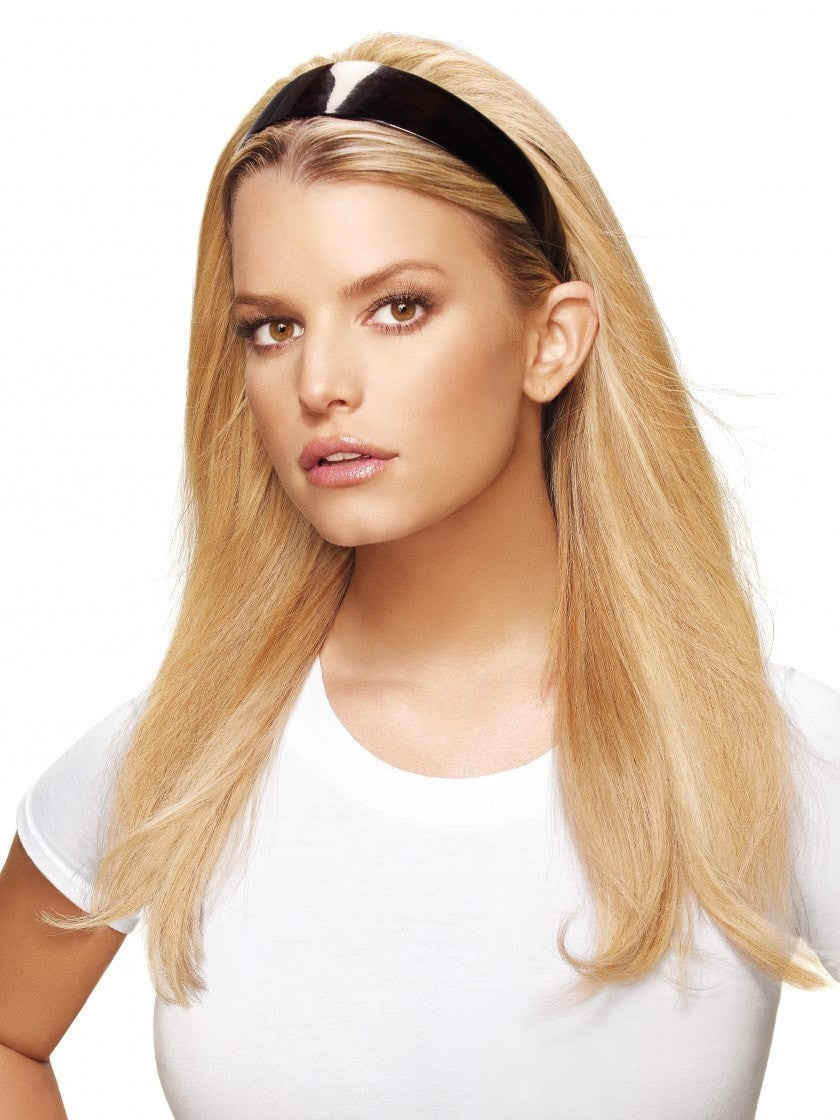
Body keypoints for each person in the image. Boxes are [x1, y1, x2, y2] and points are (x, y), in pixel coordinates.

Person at [1, 29, 838, 1120]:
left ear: (551, 340)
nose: (321, 382)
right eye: (273, 327)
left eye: (398, 307)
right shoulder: (181, 755)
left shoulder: (759, 748)